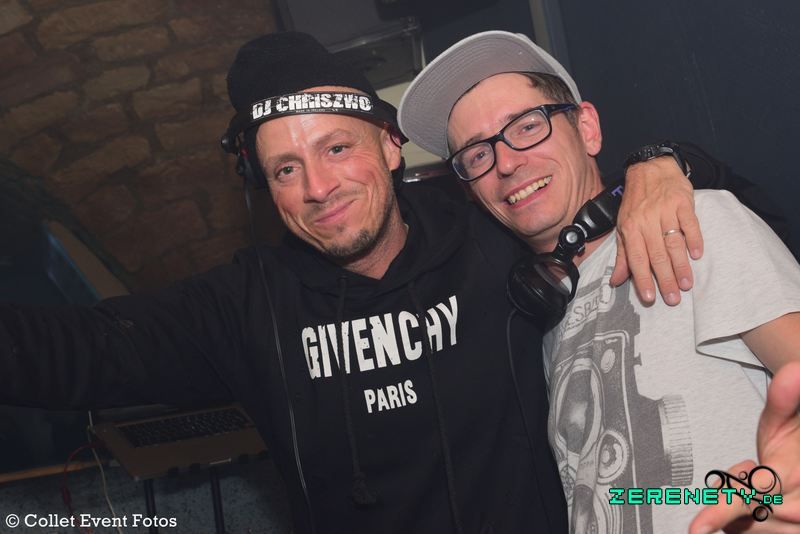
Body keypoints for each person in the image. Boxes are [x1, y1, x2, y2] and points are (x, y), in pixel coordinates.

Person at [0, 31, 784, 534]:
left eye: (338, 148)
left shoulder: (487, 230)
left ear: (389, 146)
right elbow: (75, 349)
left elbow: (586, 188)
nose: (319, 187)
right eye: (285, 169)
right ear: (263, 189)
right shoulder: (246, 305)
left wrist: (665, 163)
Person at [397, 30, 800, 534]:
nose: (506, 163)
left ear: (587, 128)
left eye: (527, 126)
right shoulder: (540, 315)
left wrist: (773, 498)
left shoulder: (694, 221)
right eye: (477, 154)